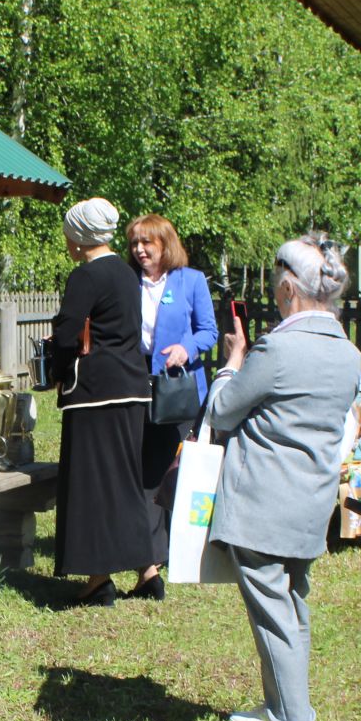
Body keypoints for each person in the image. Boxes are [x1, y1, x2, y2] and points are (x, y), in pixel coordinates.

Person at [206, 235, 359, 721]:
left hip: (263, 504)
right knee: (290, 609)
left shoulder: (277, 349)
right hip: (310, 503)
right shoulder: (347, 351)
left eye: (276, 287)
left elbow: (224, 409)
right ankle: (281, 709)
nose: (274, 296)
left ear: (290, 287)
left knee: (275, 617)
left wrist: (233, 360)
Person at [51, 197, 153, 604]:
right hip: (132, 386)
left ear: (78, 236)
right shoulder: (129, 274)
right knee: (125, 482)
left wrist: (57, 370)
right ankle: (148, 571)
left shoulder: (86, 276)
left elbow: (65, 334)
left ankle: (98, 578)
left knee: (92, 487)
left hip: (94, 394)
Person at [129, 213, 219, 601]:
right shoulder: (127, 282)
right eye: (134, 243)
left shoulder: (191, 281)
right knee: (147, 472)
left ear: (166, 244)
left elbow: (210, 331)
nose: (140, 250)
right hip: (139, 387)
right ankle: (152, 560)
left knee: (178, 469)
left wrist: (187, 348)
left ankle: (189, 549)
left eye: (147, 243)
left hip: (180, 391)